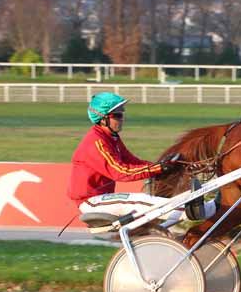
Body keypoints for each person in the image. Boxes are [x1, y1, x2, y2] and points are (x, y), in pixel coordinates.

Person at [68, 92, 217, 225]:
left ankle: (200, 209)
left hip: (104, 198)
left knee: (144, 202)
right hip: (92, 202)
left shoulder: (111, 138)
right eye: (117, 115)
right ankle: (199, 210)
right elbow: (122, 172)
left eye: (122, 114)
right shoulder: (96, 142)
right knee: (140, 201)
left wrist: (163, 166)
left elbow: (134, 162)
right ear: (103, 119)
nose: (122, 119)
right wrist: (158, 168)